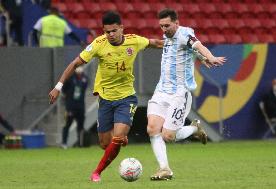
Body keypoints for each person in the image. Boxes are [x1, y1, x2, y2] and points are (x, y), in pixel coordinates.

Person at [48, 11, 164, 182]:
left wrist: (177, 44)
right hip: (105, 99)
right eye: (107, 31)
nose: (110, 35)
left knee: (117, 138)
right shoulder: (98, 44)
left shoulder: (134, 40)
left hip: (127, 98)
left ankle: (97, 172)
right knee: (104, 143)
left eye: (114, 31)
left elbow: (154, 43)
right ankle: (120, 140)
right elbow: (74, 64)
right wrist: (58, 86)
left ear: (121, 28)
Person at [147, 8, 226, 181]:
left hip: (179, 93)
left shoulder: (185, 34)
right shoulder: (168, 38)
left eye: (167, 25)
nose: (164, 29)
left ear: (176, 23)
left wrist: (210, 56)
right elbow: (189, 51)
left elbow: (197, 45)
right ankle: (164, 169)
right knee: (152, 128)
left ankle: (193, 129)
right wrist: (199, 57)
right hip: (161, 90)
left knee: (168, 136)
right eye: (161, 26)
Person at [61, 66, 88, 149]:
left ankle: (80, 143)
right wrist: (67, 100)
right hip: (70, 106)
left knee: (80, 126)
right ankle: (64, 143)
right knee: (67, 125)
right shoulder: (70, 78)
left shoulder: (85, 78)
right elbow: (64, 89)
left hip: (80, 106)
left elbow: (84, 88)